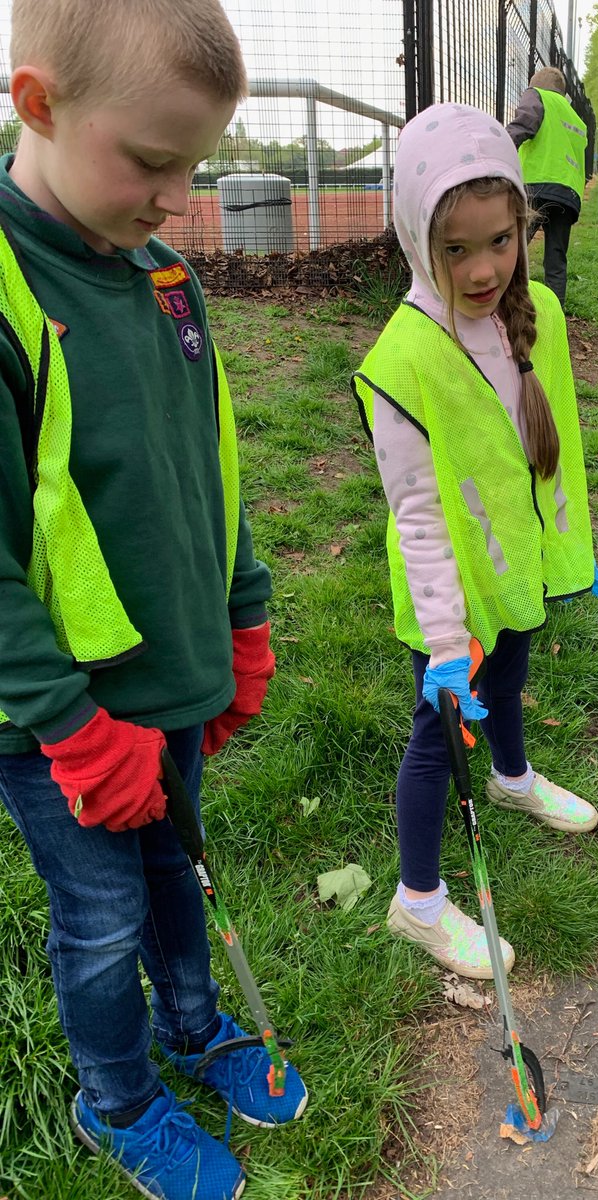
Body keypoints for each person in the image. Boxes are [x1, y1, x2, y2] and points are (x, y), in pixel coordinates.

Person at [0, 1, 307, 1197]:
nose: (179, 198)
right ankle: (116, 1102)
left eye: (196, 165)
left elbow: (208, 464)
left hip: (172, 677)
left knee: (180, 871)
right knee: (103, 918)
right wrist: (74, 729)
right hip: (60, 721)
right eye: (151, 161)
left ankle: (192, 1029)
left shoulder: (169, 278)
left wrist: (245, 615)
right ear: (38, 104)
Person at [352, 104, 598, 982]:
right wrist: (444, 640)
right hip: (450, 596)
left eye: (501, 240)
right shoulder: (402, 361)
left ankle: (513, 776)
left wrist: (568, 552)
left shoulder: (536, 316)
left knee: (514, 675)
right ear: (416, 241)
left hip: (515, 568)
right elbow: (418, 517)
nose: (484, 268)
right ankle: (417, 902)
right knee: (437, 735)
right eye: (455, 250)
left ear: (523, 226)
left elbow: (552, 447)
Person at [506, 66, 588, 307]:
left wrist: (496, 147)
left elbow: (524, 125)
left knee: (513, 249)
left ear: (535, 86)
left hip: (537, 185)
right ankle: (556, 314)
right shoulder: (576, 119)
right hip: (568, 194)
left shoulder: (538, 96)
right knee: (556, 259)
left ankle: (507, 306)